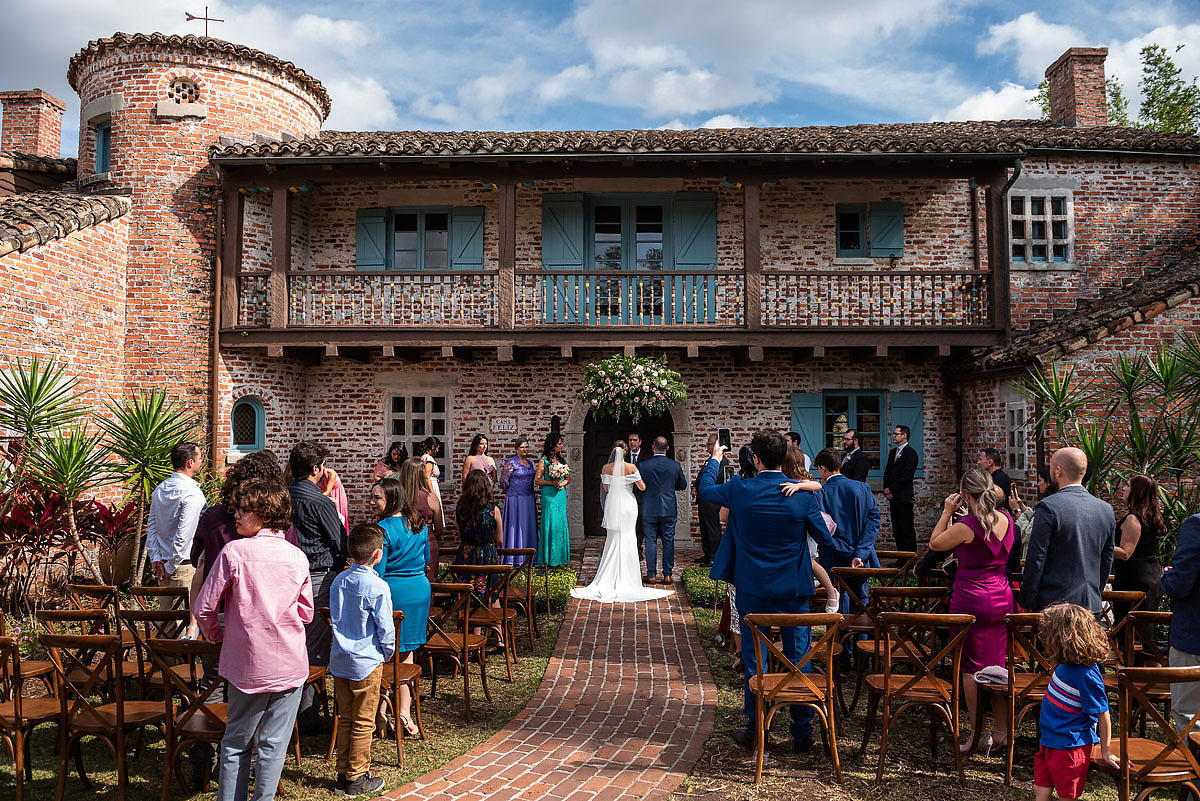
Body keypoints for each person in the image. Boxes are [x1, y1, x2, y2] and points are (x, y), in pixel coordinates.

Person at [701, 429, 834, 754]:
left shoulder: (741, 489)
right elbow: (826, 539)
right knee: (798, 657)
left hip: (753, 588)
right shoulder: (800, 496)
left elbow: (706, 490)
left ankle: (756, 729)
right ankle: (802, 732)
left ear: (756, 459)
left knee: (754, 658)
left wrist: (716, 458)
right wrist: (810, 490)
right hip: (793, 589)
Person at [194, 479, 313, 801]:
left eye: (243, 510)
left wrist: (220, 636)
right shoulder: (297, 556)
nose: (236, 515)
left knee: (236, 743)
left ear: (264, 513)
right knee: (274, 745)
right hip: (289, 661)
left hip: (247, 663)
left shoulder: (235, 552)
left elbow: (205, 607)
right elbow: (306, 613)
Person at [927, 467, 1014, 755]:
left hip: (971, 598)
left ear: (965, 495)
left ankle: (976, 734)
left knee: (970, 668)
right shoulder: (1007, 520)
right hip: (1002, 596)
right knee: (998, 666)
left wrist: (945, 512)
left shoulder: (966, 526)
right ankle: (1002, 733)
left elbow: (935, 544)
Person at [329, 523, 395, 798]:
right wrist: (387, 653)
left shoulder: (338, 581)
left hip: (341, 659)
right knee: (363, 722)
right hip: (367, 661)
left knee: (345, 718)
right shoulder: (378, 586)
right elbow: (385, 628)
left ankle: (343, 774)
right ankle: (357, 777)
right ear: (377, 555)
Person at [286, 440, 347, 732]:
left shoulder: (282, 497)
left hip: (284, 576)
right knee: (314, 646)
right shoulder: (320, 502)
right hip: (316, 574)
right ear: (316, 469)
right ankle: (306, 715)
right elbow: (340, 542)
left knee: (289, 641)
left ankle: (296, 710)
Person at [1034, 603, 1118, 801]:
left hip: (1070, 748)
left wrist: (1105, 750)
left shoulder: (1086, 674)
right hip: (1049, 741)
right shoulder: (1065, 665)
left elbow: (1102, 712)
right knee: (1041, 791)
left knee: (1067, 795)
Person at [572, 441, 674, 604]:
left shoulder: (605, 468)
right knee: (628, 536)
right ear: (625, 452)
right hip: (628, 504)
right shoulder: (631, 468)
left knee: (613, 537)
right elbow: (641, 487)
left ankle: (609, 574)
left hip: (613, 504)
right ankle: (628, 576)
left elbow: (605, 489)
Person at [1019, 447, 1114, 614]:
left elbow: (1036, 558)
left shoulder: (1048, 507)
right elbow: (1106, 559)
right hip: (1091, 603)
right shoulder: (1105, 509)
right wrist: (1096, 592)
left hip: (1055, 605)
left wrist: (1027, 599)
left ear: (1057, 471)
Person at [371, 478, 428, 736]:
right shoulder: (418, 524)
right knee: (407, 654)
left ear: (391, 499)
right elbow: (425, 558)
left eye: (377, 498)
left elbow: (378, 571)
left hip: (394, 592)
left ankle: (381, 713)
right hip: (419, 588)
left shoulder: (382, 529)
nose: (372, 502)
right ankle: (403, 713)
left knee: (388, 655)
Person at [813, 447, 881, 614]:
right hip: (861, 557)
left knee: (839, 601)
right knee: (861, 601)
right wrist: (859, 552)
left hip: (834, 556)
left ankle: (839, 640)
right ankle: (861, 638)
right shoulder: (863, 488)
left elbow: (822, 530)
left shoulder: (820, 494)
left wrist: (845, 549)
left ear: (822, 468)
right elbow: (873, 521)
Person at [780, 445, 840, 613]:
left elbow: (817, 486)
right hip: (795, 527)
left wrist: (799, 486)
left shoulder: (803, 481)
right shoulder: (784, 479)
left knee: (809, 560)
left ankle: (831, 591)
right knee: (804, 561)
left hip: (807, 529)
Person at [147, 442, 207, 601]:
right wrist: (168, 567)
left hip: (164, 565)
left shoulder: (160, 489)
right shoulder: (192, 493)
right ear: (190, 463)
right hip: (182, 567)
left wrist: (156, 558)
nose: (202, 461)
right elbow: (184, 535)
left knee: (167, 621)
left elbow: (151, 528)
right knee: (183, 621)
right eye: (200, 458)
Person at [1161, 512, 1200, 731]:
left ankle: (1193, 765)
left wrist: (1168, 577)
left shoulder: (1196, 524)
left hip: (1194, 636)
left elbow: (1179, 585)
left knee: (1190, 716)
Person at [1112, 473, 1164, 622]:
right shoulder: (1152, 517)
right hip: (1150, 576)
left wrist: (1099, 546)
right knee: (1143, 632)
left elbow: (1125, 553)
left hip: (1134, 582)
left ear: (1137, 491)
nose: (1123, 488)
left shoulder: (1133, 519)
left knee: (1130, 634)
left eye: (1127, 485)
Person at [639, 436, 687, 584]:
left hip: (649, 508)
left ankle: (652, 575)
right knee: (668, 541)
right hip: (669, 508)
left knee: (650, 541)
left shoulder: (643, 465)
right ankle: (667, 575)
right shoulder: (675, 466)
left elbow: (638, 486)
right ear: (667, 448)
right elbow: (683, 485)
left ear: (653, 447)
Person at [454, 470, 503, 605]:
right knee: (492, 593)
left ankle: (473, 625)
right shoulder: (493, 510)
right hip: (487, 555)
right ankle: (496, 625)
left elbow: (460, 532)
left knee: (468, 595)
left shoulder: (460, 509)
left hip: (466, 554)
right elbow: (500, 539)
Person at [396, 458, 441, 583]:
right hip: (428, 541)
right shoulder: (431, 498)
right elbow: (439, 528)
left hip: (402, 544)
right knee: (429, 582)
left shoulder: (397, 499)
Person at [498, 437, 538, 566]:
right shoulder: (511, 462)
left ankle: (528, 557)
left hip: (528, 498)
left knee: (527, 526)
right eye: (522, 447)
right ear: (516, 449)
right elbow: (503, 481)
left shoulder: (530, 463)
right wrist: (512, 490)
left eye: (526, 447)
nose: (525, 449)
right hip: (514, 499)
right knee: (515, 527)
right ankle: (513, 559)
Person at [534, 433, 570, 567]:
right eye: (559, 443)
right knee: (550, 523)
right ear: (552, 445)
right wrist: (552, 483)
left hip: (560, 495)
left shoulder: (562, 460)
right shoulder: (544, 461)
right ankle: (547, 559)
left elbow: (568, 478)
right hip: (549, 496)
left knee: (560, 523)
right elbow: (537, 480)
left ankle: (560, 558)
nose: (561, 446)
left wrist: (562, 483)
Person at [883, 424, 919, 554]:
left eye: (896, 434)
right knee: (897, 528)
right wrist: (886, 488)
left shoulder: (911, 453)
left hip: (904, 496)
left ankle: (910, 558)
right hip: (893, 497)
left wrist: (891, 489)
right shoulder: (893, 452)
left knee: (906, 528)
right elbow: (887, 472)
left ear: (904, 435)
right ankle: (901, 557)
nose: (893, 436)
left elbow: (906, 476)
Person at [693, 434, 727, 568]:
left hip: (712, 500)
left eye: (709, 444)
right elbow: (702, 475)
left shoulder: (722, 461)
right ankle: (707, 553)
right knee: (704, 527)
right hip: (703, 499)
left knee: (712, 528)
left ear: (716, 446)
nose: (707, 446)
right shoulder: (710, 460)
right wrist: (696, 486)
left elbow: (715, 478)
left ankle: (714, 556)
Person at [418, 436, 445, 529]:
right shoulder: (428, 459)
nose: (438, 451)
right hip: (431, 486)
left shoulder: (423, 457)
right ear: (433, 447)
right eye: (437, 448)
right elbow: (426, 476)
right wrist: (432, 492)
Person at [977, 447, 1012, 514]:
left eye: (980, 459)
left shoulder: (999, 479)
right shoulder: (994, 477)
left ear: (990, 462)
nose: (978, 462)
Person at [628, 432, 646, 558]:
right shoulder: (623, 458)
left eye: (635, 440)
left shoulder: (647, 457)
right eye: (630, 440)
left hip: (641, 497)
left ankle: (638, 550)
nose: (632, 442)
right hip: (626, 496)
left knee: (639, 524)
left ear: (640, 442)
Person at [318, 464, 350, 535]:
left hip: (337, 494)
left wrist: (315, 497)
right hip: (324, 495)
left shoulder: (331, 473)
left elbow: (327, 491)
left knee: (339, 517)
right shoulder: (315, 476)